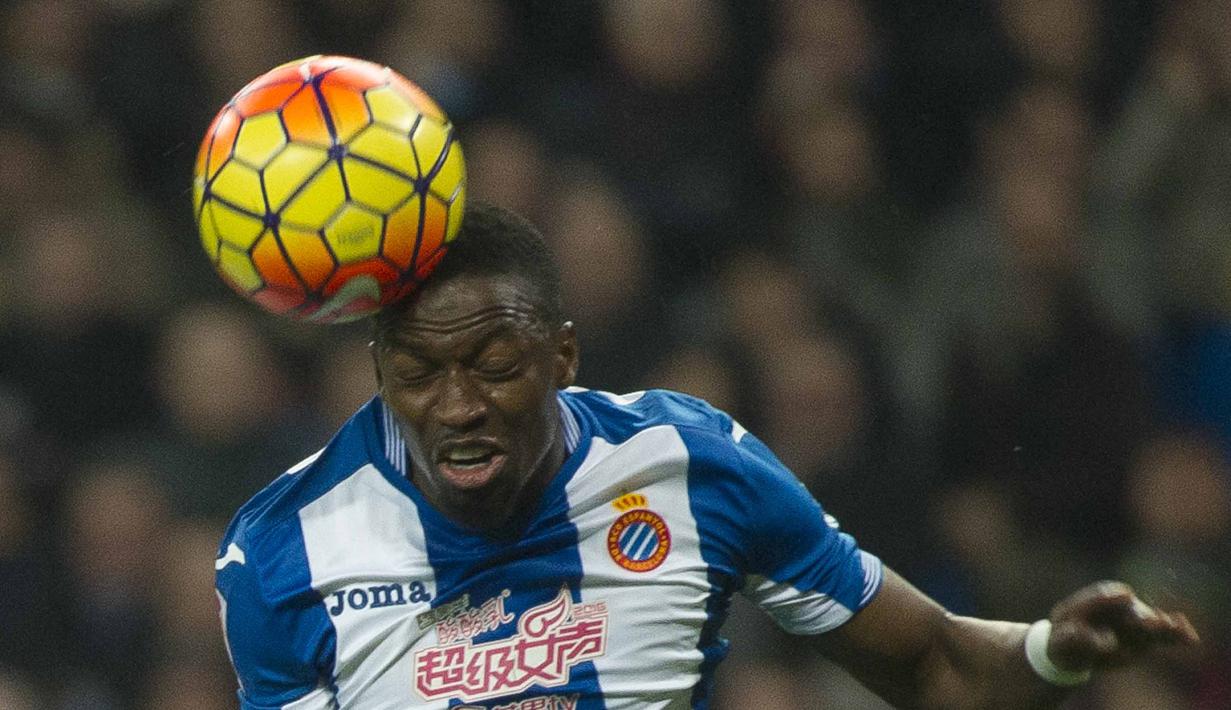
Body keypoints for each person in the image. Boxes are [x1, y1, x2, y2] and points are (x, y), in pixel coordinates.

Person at [215, 202, 1198, 709]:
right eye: (420, 372)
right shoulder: (283, 547)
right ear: (378, 367)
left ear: (561, 353)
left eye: (494, 363)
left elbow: (935, 664)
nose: (458, 405)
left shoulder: (687, 461)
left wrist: (1052, 650)